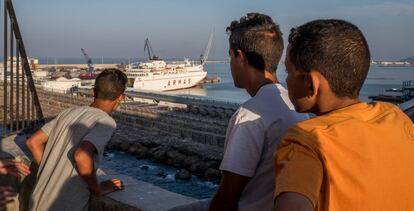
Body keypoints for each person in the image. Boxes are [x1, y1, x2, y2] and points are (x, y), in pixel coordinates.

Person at [273, 19, 414, 211]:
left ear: (311, 84)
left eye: (288, 71)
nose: (286, 79)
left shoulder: (306, 142)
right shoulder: (396, 118)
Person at [208, 13, 308, 211]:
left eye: (230, 56)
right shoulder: (298, 108)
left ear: (240, 56)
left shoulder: (249, 114)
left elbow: (227, 198)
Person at [26, 69, 127, 211]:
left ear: (93, 92)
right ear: (121, 98)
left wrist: (52, 171)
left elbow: (33, 142)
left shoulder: (68, 112)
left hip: (38, 200)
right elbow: (81, 156)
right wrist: (98, 188)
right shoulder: (106, 122)